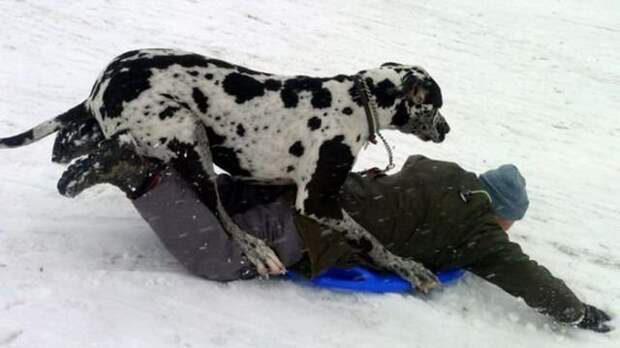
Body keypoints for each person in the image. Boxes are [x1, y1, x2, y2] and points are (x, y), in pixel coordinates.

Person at [57, 140, 613, 333]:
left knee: (227, 196)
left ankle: (154, 156)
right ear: (503, 215)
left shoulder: (440, 171)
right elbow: (525, 276)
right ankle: (141, 177)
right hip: (310, 226)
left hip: (312, 187)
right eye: (511, 224)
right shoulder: (478, 231)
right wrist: (577, 313)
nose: (508, 234)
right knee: (224, 259)